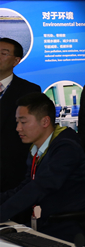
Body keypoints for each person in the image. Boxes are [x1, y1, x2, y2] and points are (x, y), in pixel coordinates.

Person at [0, 93, 85, 244]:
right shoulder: (37, 148)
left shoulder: (66, 148)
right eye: (17, 122)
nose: (18, 128)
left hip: (76, 226)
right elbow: (26, 186)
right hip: (52, 221)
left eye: (23, 122)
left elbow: (40, 186)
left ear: (45, 121)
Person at [0, 38, 41, 194]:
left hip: (14, 170)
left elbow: (35, 132)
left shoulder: (29, 90)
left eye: (4, 53)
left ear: (16, 61)